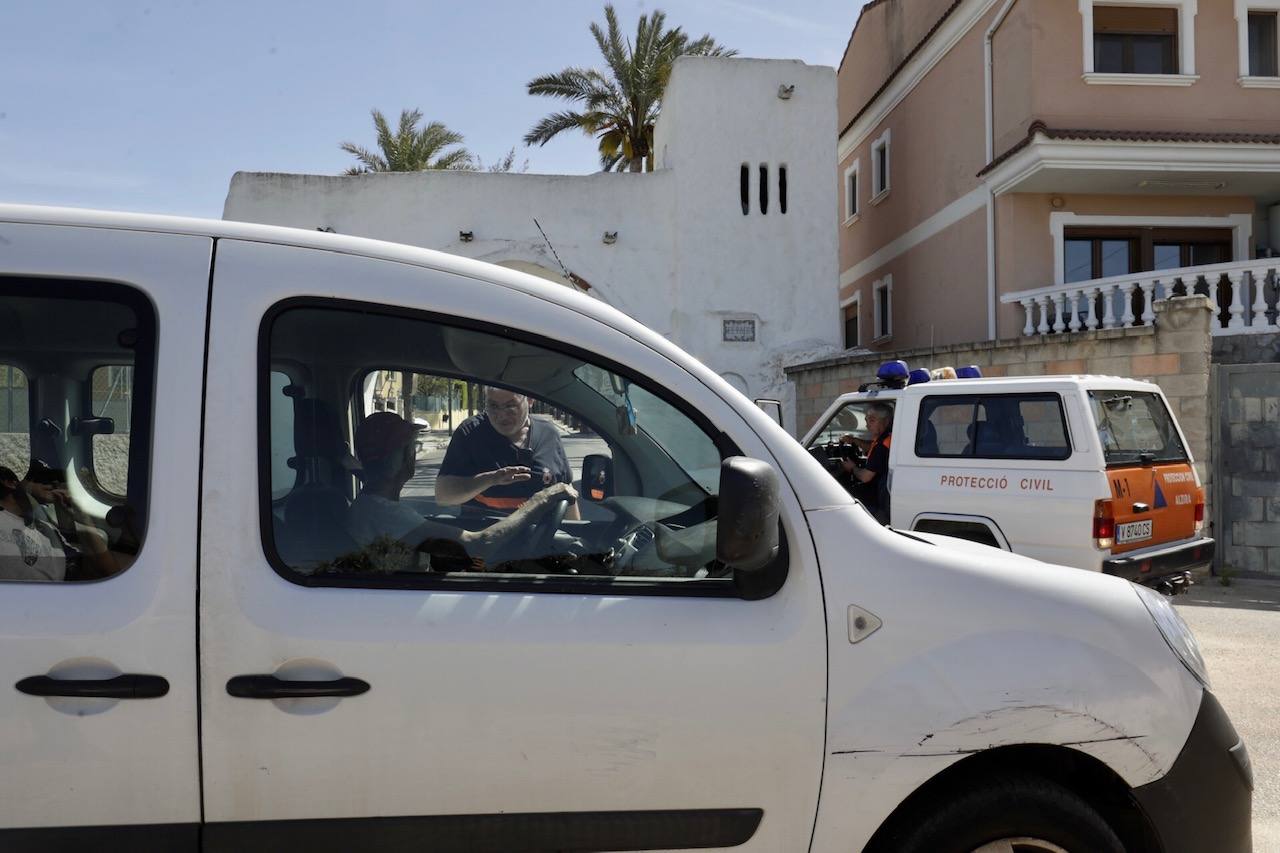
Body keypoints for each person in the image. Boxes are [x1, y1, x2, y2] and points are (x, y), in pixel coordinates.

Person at [346, 411, 575, 564]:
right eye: (411, 447)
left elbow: (377, 479)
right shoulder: (387, 515)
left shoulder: (370, 507)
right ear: (404, 458)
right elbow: (478, 545)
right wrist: (543, 499)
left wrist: (492, 479)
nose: (413, 454)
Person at [436, 388, 579, 520]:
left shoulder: (549, 433)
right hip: (485, 539)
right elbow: (443, 496)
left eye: (511, 406)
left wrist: (576, 537)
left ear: (530, 400)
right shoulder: (470, 433)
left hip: (542, 540)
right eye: (493, 406)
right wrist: (490, 479)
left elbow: (567, 493)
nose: (501, 415)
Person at [0, 466, 115, 581]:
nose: (51, 486)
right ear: (10, 483)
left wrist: (83, 519)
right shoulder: (7, 521)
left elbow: (107, 571)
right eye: (31, 480)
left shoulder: (43, 525)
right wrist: (29, 487)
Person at [841, 403, 892, 524]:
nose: (867, 425)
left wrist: (852, 468)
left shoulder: (883, 446)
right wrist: (854, 440)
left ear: (886, 421)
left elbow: (865, 477)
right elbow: (870, 446)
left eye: (872, 420)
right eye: (866, 420)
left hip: (875, 500)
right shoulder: (885, 437)